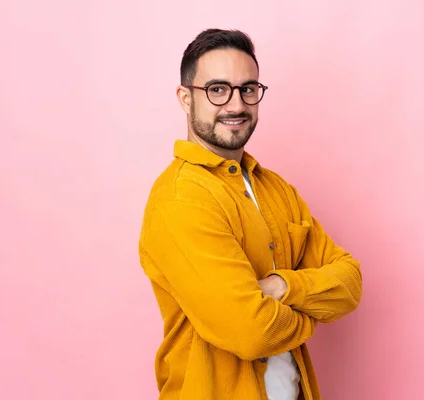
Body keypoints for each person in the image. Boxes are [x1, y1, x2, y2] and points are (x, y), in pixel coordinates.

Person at [138, 28, 363, 400]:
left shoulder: (276, 189)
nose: (236, 105)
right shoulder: (181, 199)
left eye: (248, 89)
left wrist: (280, 286)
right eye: (217, 89)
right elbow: (251, 332)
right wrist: (313, 311)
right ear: (185, 98)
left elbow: (349, 283)